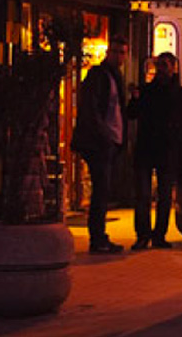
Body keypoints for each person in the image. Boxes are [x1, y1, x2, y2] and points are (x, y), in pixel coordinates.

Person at [72, 37, 130, 254]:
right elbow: (91, 108)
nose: (119, 57)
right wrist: (104, 134)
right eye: (116, 52)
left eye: (123, 52)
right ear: (108, 52)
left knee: (103, 190)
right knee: (101, 191)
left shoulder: (116, 77)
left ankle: (99, 236)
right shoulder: (99, 75)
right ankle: (97, 237)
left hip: (110, 141)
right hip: (100, 142)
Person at [127, 52, 182, 250]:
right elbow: (131, 114)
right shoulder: (146, 91)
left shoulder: (180, 95)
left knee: (164, 196)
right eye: (159, 65)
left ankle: (159, 235)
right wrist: (135, 99)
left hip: (167, 150)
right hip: (146, 148)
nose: (161, 69)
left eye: (165, 65)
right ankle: (143, 235)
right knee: (143, 195)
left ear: (173, 68)